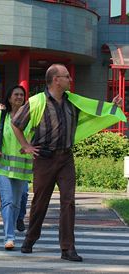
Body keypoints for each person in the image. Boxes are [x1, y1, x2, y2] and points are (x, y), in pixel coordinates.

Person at [12, 63, 125, 262]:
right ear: (56, 80)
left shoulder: (73, 101)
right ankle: (30, 239)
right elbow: (16, 123)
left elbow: (93, 112)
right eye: (66, 76)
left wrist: (112, 106)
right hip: (44, 159)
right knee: (40, 203)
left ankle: (67, 249)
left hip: (66, 158)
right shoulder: (37, 101)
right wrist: (27, 146)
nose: (70, 79)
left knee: (69, 202)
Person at [0, 85, 31, 250]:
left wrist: (29, 145)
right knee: (7, 201)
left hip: (22, 168)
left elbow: (35, 136)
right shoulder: (2, 115)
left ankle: (11, 231)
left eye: (22, 95)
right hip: (3, 167)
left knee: (16, 204)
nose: (19, 97)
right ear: (9, 98)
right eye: (16, 94)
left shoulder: (29, 116)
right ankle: (9, 237)